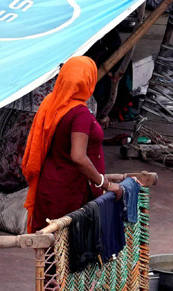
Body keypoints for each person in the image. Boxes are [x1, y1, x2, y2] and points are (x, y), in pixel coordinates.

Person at [22, 56, 122, 233]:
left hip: (50, 189)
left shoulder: (52, 104)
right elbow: (78, 156)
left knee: (51, 255)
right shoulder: (79, 114)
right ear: (88, 81)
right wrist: (105, 184)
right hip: (69, 195)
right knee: (69, 253)